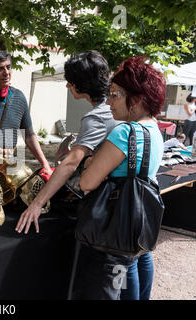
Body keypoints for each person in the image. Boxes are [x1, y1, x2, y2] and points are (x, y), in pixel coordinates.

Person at [78, 56, 166, 300]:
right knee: (130, 273)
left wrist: (89, 163)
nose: (108, 102)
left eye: (115, 95)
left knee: (109, 287)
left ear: (136, 100)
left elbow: (87, 182)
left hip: (112, 233)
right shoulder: (153, 130)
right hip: (135, 226)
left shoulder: (124, 132)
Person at [15, 50, 117, 234]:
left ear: (82, 84)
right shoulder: (117, 106)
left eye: (70, 82)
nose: (67, 86)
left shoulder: (96, 117)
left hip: (107, 201)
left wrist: (38, 203)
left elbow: (70, 164)